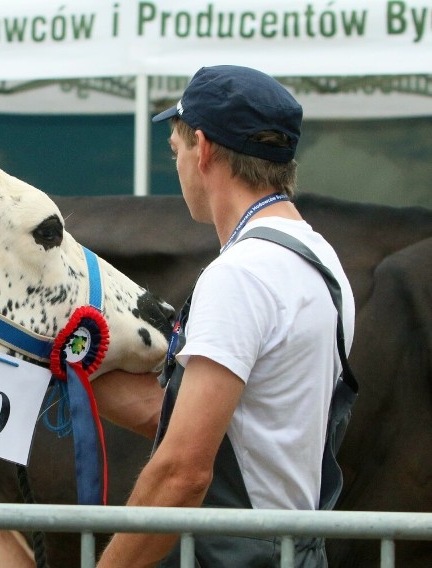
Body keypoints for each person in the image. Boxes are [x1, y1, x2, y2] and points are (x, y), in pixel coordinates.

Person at [93, 65, 356, 567]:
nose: (179, 167)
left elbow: (183, 471)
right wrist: (61, 372)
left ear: (204, 147)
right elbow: (241, 429)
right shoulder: (321, 261)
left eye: (177, 152)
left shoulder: (240, 274)